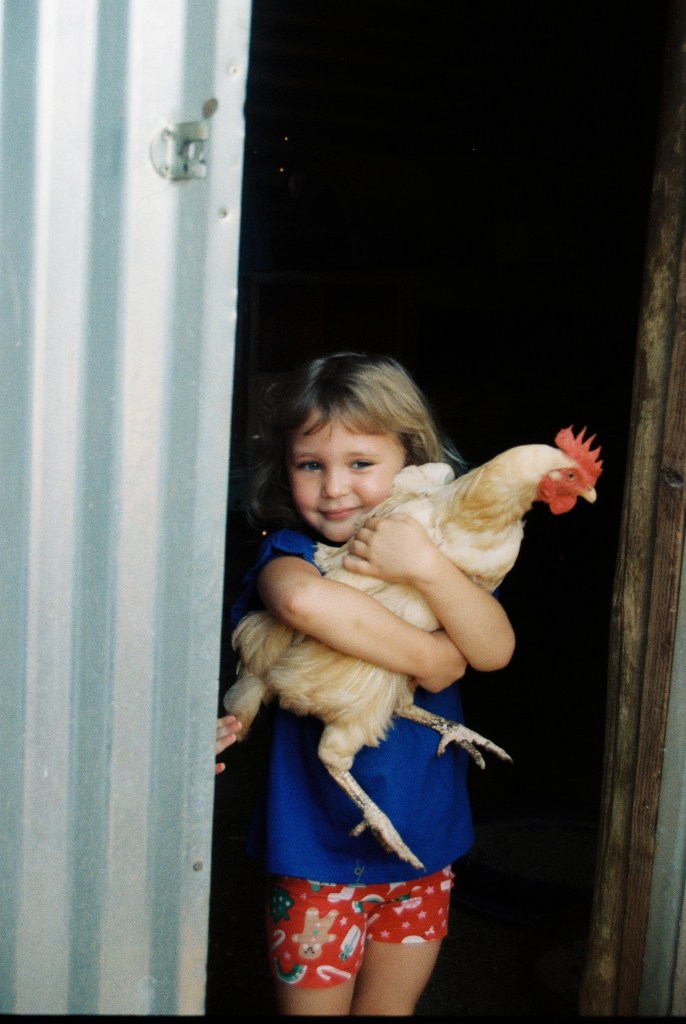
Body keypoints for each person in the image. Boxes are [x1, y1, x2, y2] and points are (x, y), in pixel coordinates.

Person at [216, 351, 515, 1016]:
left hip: (424, 844)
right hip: (316, 849)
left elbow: (494, 650)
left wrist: (430, 568)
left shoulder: (436, 560)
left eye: (360, 464)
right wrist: (436, 660)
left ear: (409, 462)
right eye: (309, 464)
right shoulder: (293, 555)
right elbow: (304, 606)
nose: (333, 488)